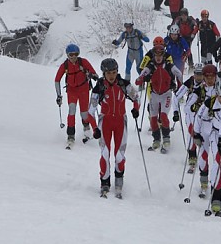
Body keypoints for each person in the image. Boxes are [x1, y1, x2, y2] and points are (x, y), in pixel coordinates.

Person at [89, 58, 140, 198]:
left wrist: (136, 109)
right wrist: (95, 128)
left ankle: (119, 182)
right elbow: (90, 111)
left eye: (114, 72)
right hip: (104, 122)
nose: (112, 75)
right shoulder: (99, 87)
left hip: (120, 122)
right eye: (108, 73)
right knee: (105, 153)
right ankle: (104, 182)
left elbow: (136, 97)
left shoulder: (124, 84)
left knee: (119, 155)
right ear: (103, 73)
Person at [194, 76, 221, 215]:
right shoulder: (211, 102)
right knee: (217, 165)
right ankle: (216, 198)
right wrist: (196, 133)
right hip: (215, 135)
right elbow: (199, 116)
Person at [136, 43, 183, 152]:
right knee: (153, 119)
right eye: (156, 55)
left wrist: (180, 85)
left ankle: (166, 137)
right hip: (154, 94)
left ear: (163, 55)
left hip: (166, 94)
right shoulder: (151, 65)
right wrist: (141, 79)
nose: (158, 58)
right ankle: (156, 138)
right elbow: (143, 73)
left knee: (163, 116)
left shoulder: (168, 65)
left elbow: (179, 73)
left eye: (160, 55)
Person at [54, 43, 99, 148]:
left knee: (84, 113)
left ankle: (87, 130)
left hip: (83, 90)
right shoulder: (65, 65)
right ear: (67, 55)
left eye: (75, 54)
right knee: (72, 110)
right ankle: (70, 135)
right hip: (72, 91)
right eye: (71, 55)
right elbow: (57, 80)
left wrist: (92, 75)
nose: (73, 57)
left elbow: (95, 74)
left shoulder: (83, 62)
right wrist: (59, 95)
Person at [188, 64, 218, 195]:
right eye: (207, 77)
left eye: (212, 77)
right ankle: (204, 183)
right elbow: (188, 107)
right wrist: (196, 107)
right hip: (204, 124)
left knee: (217, 157)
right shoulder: (199, 90)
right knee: (204, 155)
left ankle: (217, 184)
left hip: (217, 126)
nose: (210, 79)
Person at [173, 62, 204, 171]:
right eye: (197, 74)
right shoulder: (190, 82)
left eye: (201, 74)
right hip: (190, 112)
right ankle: (192, 156)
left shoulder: (207, 83)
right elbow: (176, 97)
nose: (199, 76)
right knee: (192, 132)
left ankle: (205, 156)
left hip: (203, 113)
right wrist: (176, 112)